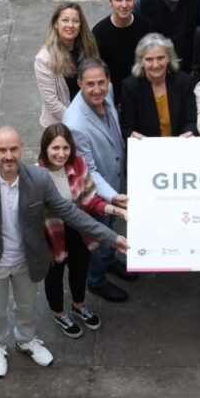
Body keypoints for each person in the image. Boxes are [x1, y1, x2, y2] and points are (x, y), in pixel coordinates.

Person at [0, 126, 127, 378]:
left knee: (27, 306)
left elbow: (70, 213)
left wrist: (111, 238)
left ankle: (25, 340)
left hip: (27, 259)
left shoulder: (39, 179)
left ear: (22, 148)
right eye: (2, 150)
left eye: (13, 149)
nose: (8, 156)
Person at [39, 123, 128, 338]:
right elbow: (31, 218)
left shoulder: (78, 163)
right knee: (54, 276)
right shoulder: (36, 175)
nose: (61, 154)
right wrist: (42, 247)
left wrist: (116, 210)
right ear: (45, 148)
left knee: (80, 270)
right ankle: (59, 314)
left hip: (79, 230)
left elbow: (90, 201)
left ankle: (79, 306)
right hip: (51, 236)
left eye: (65, 148)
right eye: (55, 148)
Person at [63, 58, 134, 303]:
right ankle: (96, 280)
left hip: (115, 178)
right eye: (90, 84)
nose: (97, 89)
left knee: (110, 227)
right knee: (96, 235)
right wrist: (112, 196)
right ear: (80, 84)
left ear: (109, 81)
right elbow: (88, 170)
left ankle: (110, 259)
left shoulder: (108, 90)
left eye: (101, 82)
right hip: (95, 192)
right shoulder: (74, 124)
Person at [120, 33, 196, 139]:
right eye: (149, 59)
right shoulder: (130, 87)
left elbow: (191, 120)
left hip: (180, 143)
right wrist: (132, 135)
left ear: (169, 58)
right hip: (147, 146)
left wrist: (189, 132)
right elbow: (127, 127)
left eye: (160, 58)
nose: (155, 65)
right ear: (141, 61)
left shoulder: (184, 81)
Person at [35, 2, 100, 127]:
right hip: (62, 124)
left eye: (75, 21)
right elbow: (52, 104)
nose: (70, 25)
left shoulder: (88, 47)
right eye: (65, 20)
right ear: (56, 24)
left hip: (90, 114)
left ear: (80, 25)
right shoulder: (44, 59)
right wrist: (81, 120)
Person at [92, 0, 153, 109]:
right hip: (114, 100)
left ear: (134, 0)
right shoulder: (99, 32)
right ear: (110, 2)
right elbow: (98, 71)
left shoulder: (146, 25)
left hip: (146, 93)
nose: (124, 5)